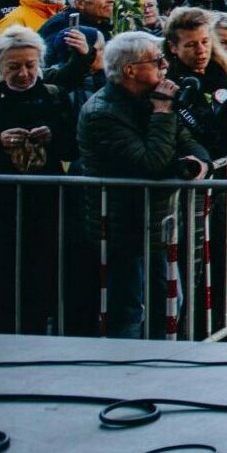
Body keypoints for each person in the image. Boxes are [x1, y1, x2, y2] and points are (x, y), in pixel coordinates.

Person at [76, 31, 210, 338]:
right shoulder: (103, 112)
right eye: (157, 61)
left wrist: (200, 164)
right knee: (129, 310)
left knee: (168, 303)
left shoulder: (150, 101)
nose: (165, 67)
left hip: (156, 224)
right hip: (121, 227)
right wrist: (162, 114)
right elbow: (149, 164)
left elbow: (193, 145)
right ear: (130, 69)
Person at [0, 28, 83, 334]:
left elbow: (73, 146)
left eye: (30, 65)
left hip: (47, 201)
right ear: (0, 68)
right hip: (0, 205)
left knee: (43, 269)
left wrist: (52, 137)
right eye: (14, 67)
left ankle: (39, 326)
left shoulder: (54, 96)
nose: (23, 73)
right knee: (3, 270)